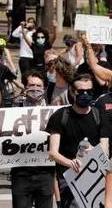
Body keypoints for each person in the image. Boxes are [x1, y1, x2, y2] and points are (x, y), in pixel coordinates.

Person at [47, 74, 102, 208]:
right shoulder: (60, 116)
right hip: (69, 178)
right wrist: (71, 163)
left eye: (89, 91)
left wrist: (94, 151)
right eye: (81, 91)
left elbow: (104, 146)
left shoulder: (98, 114)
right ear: (72, 92)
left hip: (94, 176)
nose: (85, 94)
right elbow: (52, 153)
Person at [11, 70, 55, 208]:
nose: (35, 89)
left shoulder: (53, 110)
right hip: (21, 172)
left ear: (44, 88)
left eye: (38, 86)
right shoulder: (14, 108)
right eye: (31, 85)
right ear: (25, 87)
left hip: (45, 172)